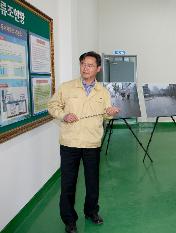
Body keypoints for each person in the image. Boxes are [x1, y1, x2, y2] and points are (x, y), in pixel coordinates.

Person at [48, 51, 119, 233]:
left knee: (92, 182)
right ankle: (69, 220)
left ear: (98, 68)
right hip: (70, 143)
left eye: (89, 65)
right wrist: (64, 115)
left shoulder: (102, 91)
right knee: (68, 184)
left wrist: (109, 114)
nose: (85, 68)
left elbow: (104, 113)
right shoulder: (67, 87)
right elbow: (52, 106)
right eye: (82, 64)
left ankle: (91, 212)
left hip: (92, 143)